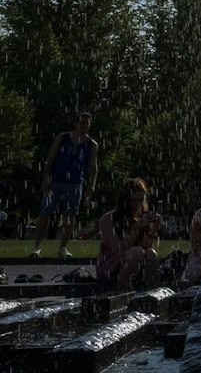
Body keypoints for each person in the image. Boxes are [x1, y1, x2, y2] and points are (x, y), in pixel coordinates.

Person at [31, 112, 99, 258]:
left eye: (87, 123)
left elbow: (93, 166)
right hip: (56, 181)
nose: (84, 126)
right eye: (82, 122)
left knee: (69, 217)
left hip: (75, 183)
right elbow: (50, 158)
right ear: (76, 124)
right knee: (45, 215)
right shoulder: (63, 137)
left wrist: (92, 184)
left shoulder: (91, 144)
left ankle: (63, 247)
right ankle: (37, 247)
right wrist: (46, 178)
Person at [95, 177, 161, 292]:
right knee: (136, 252)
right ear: (126, 200)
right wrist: (137, 227)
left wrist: (152, 232)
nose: (139, 204)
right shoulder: (109, 219)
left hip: (135, 266)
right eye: (135, 200)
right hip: (111, 268)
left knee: (151, 254)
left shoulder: (141, 219)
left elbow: (146, 247)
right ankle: (123, 293)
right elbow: (118, 248)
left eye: (142, 199)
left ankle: (153, 294)